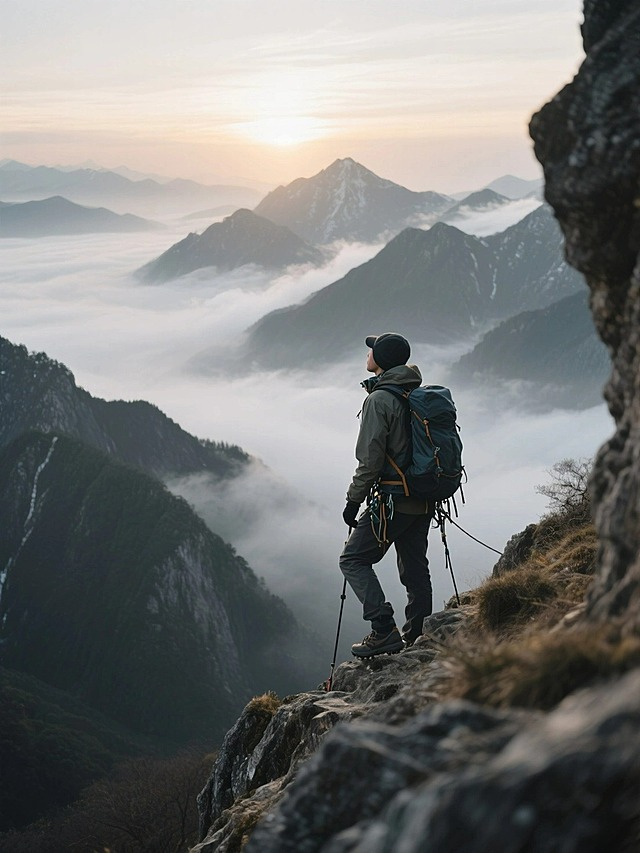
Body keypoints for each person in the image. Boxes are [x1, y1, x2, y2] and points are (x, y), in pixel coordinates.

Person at [340, 333, 434, 657]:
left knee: (353, 559)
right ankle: (420, 635)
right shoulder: (414, 392)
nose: (367, 354)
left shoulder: (379, 400)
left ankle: (383, 629)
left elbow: (370, 461)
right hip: (423, 498)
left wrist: (353, 501)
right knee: (415, 568)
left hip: (393, 500)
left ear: (380, 358)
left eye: (371, 350)